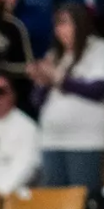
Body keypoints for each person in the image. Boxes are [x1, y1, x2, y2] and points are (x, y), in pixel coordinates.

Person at [29, 3, 104, 192]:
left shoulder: (98, 49)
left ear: (80, 23)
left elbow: (98, 90)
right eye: (57, 25)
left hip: (85, 141)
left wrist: (58, 79)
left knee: (83, 202)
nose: (59, 30)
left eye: (64, 24)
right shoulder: (56, 55)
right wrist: (42, 81)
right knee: (54, 203)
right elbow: (37, 102)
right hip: (52, 140)